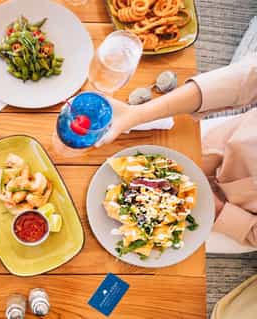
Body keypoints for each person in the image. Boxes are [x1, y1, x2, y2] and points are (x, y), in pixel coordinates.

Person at [98, 52, 257, 247]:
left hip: (234, 225)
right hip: (216, 141)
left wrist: (218, 209)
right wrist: (137, 114)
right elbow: (247, 77)